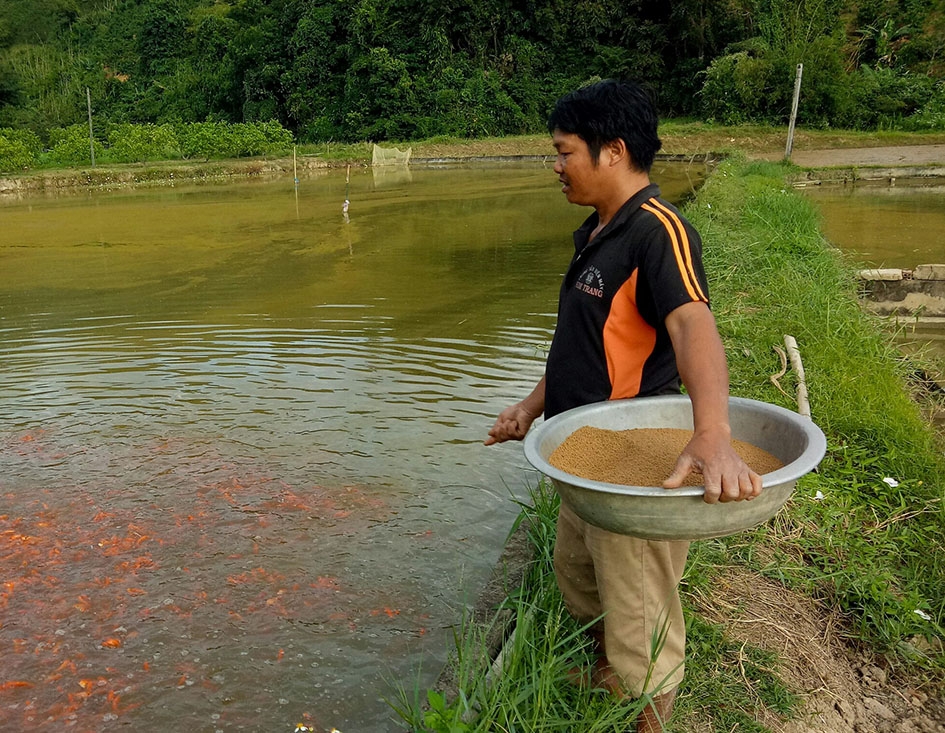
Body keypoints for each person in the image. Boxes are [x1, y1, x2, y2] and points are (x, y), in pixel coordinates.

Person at [484, 79, 763, 732]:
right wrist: (530, 404)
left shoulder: (658, 232)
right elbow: (582, 341)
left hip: (633, 454)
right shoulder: (595, 230)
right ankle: (609, 678)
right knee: (578, 576)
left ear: (612, 151)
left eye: (563, 151)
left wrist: (713, 433)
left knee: (639, 611)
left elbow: (693, 325)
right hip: (583, 454)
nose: (555, 165)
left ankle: (647, 715)